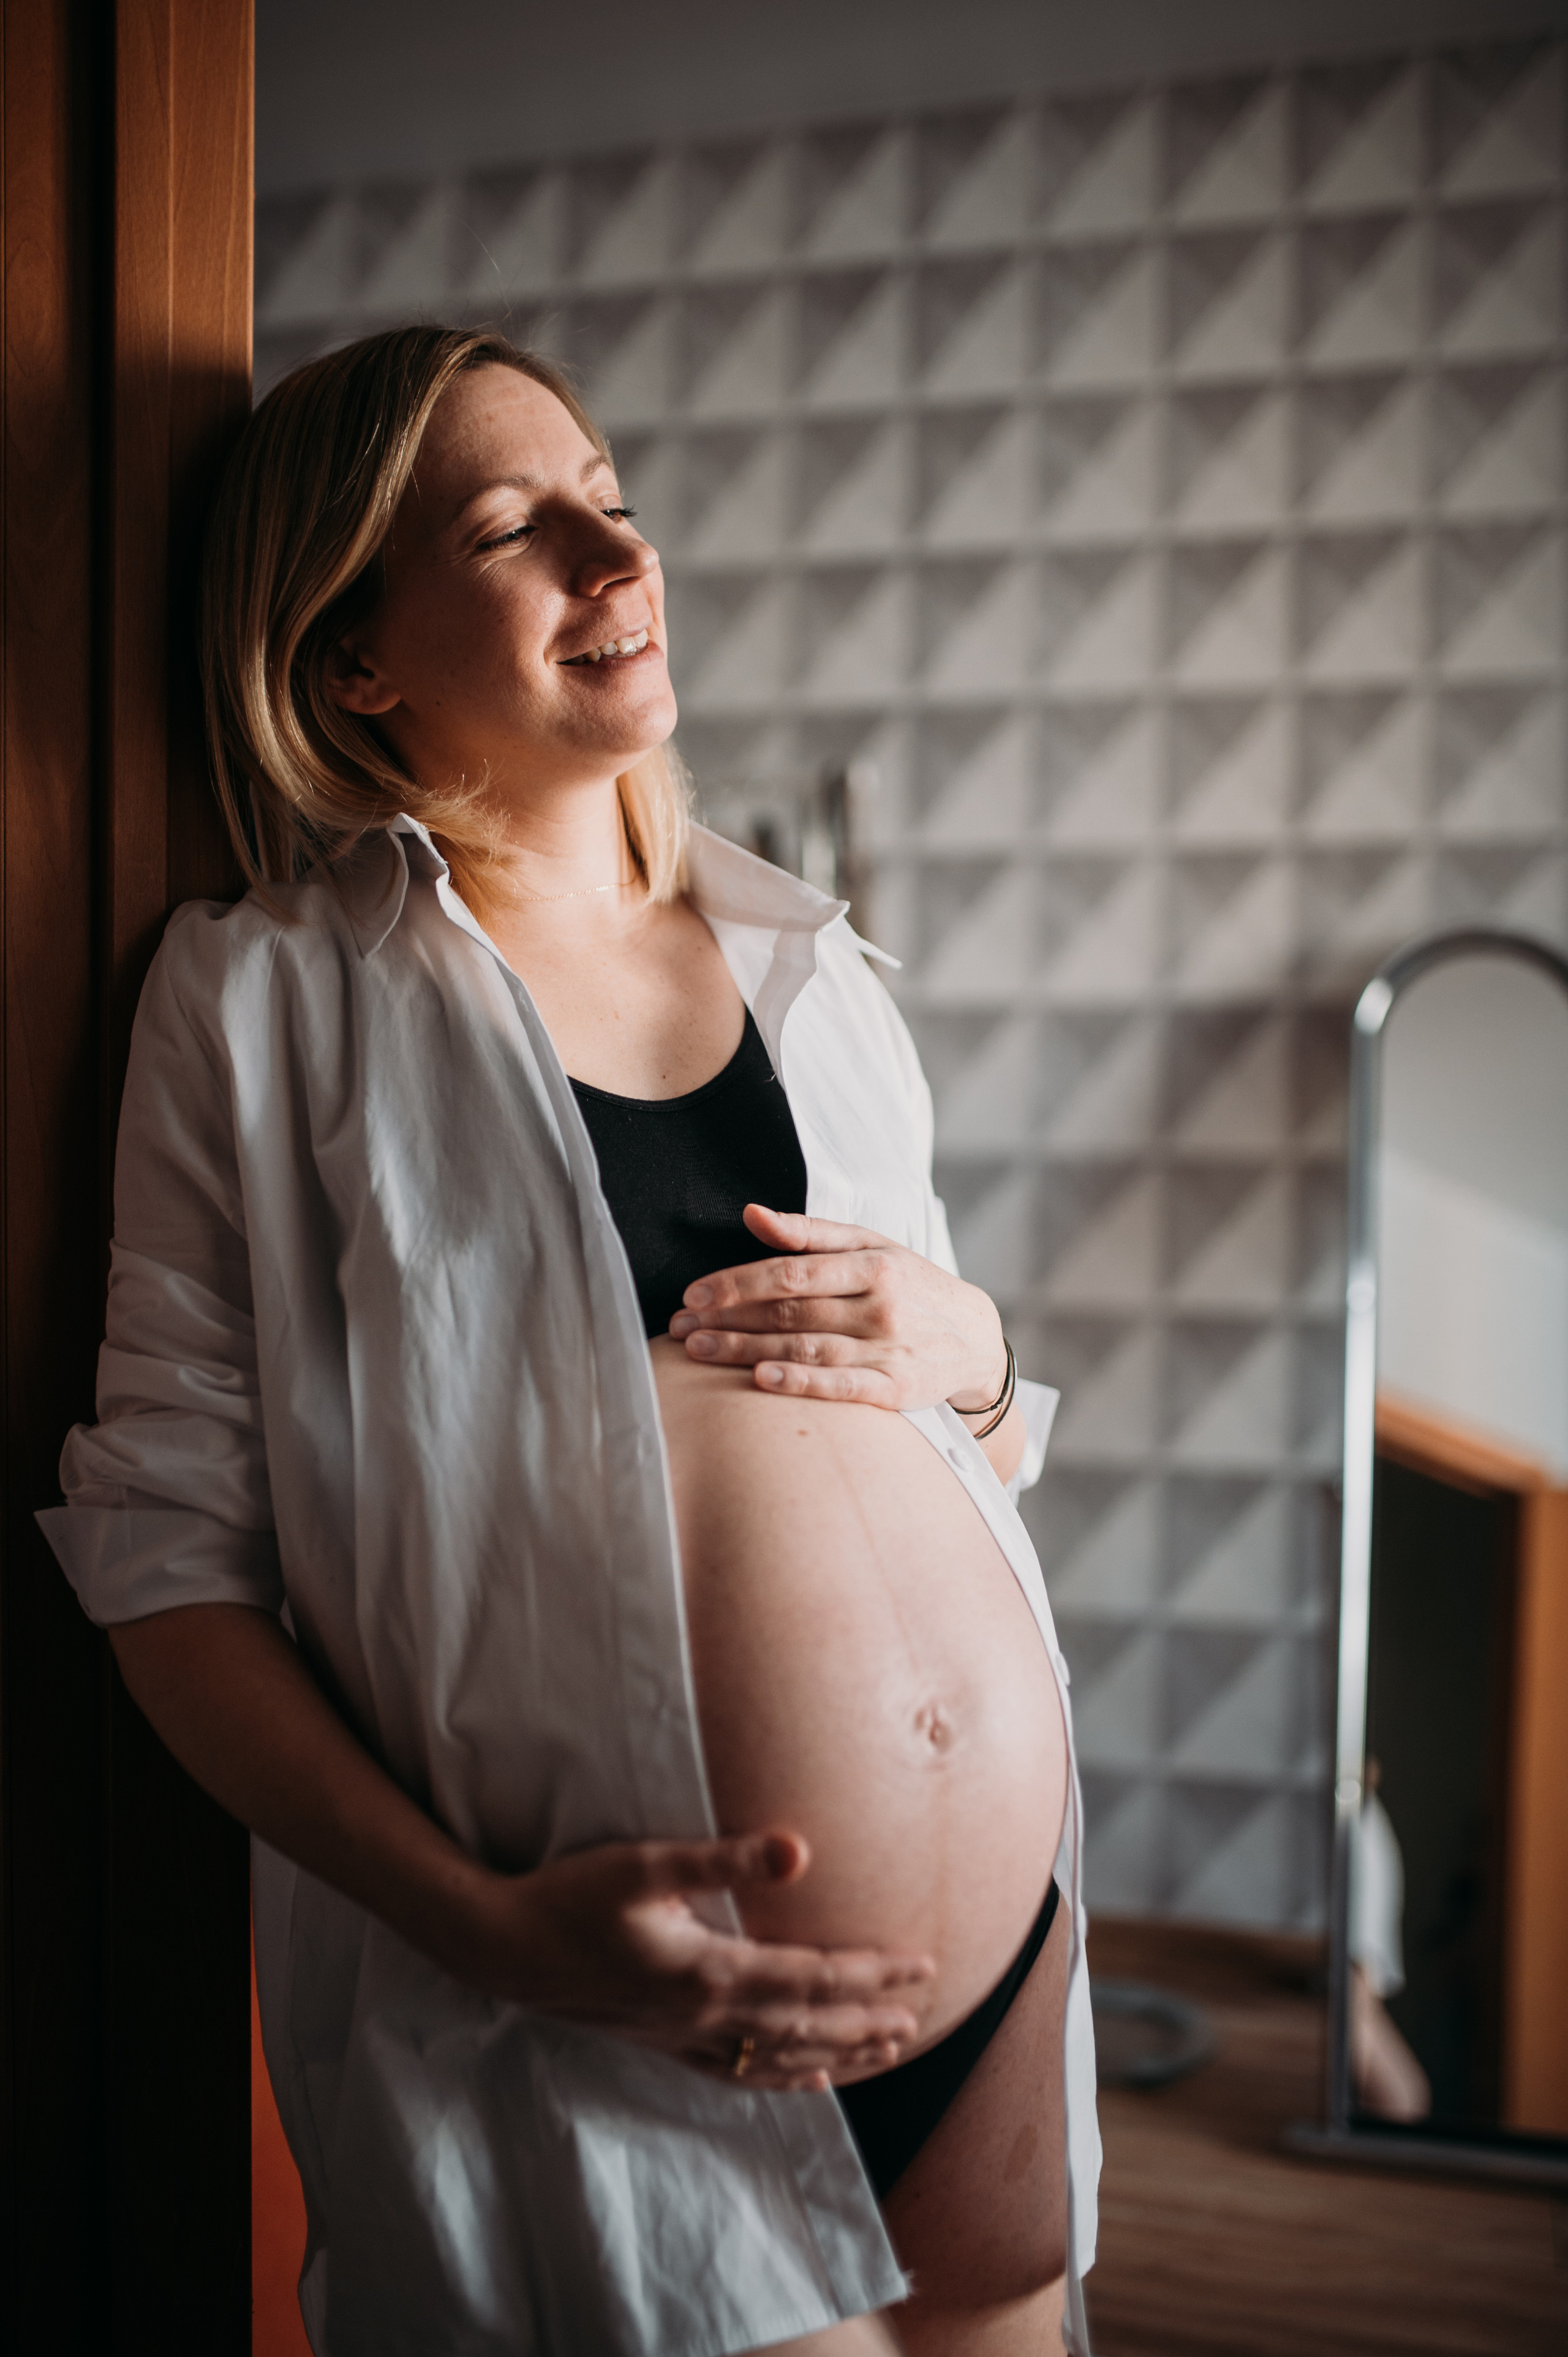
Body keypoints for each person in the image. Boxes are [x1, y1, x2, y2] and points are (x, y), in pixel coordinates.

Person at [39, 327, 1100, 2357]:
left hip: (1005, 1971)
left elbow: (957, 1441)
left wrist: (975, 1351)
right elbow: (166, 1566)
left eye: (611, 499)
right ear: (355, 661)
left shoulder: (819, 975)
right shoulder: (262, 1006)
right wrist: (495, 1931)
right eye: (514, 529)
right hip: (604, 2014)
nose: (619, 559)